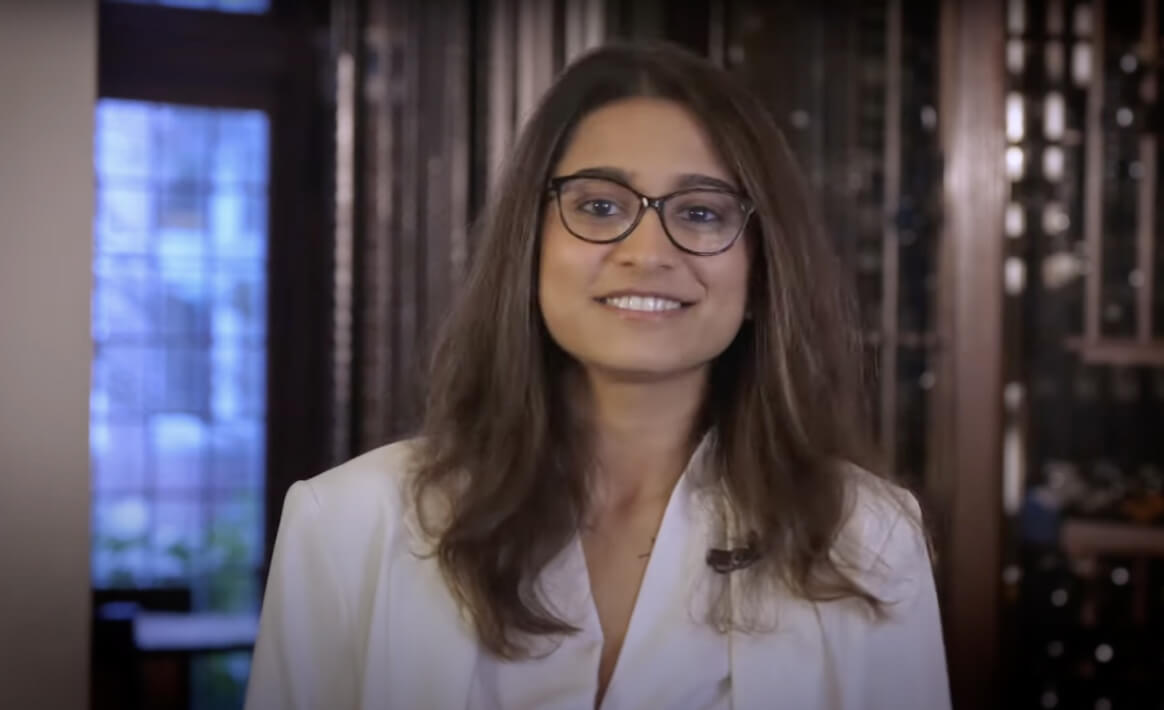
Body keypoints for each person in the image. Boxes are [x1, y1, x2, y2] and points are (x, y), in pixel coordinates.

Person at [244, 41, 951, 710]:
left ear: (763, 274)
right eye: (600, 206)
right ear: (530, 242)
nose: (647, 251)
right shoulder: (345, 525)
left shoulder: (866, 537)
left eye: (701, 213)